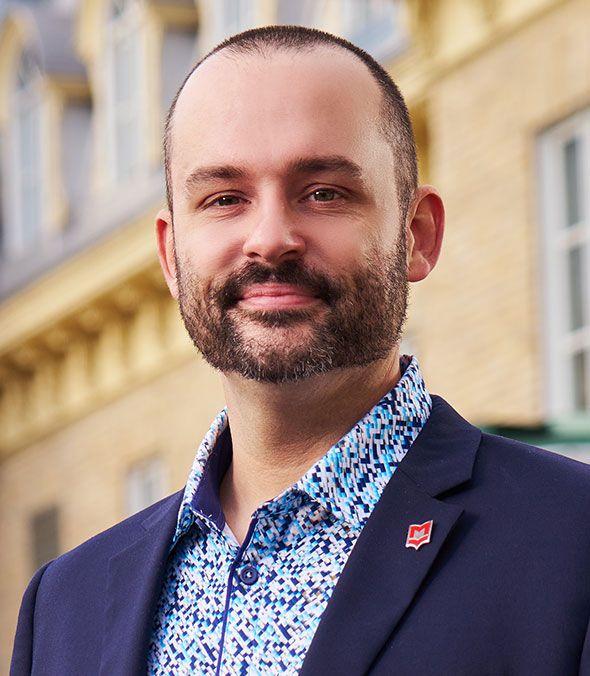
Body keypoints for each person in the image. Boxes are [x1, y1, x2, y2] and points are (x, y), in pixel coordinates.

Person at [10, 25, 590, 676]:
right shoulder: (64, 605)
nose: (270, 239)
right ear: (171, 257)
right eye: (225, 199)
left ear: (417, 235)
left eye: (323, 193)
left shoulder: (572, 541)